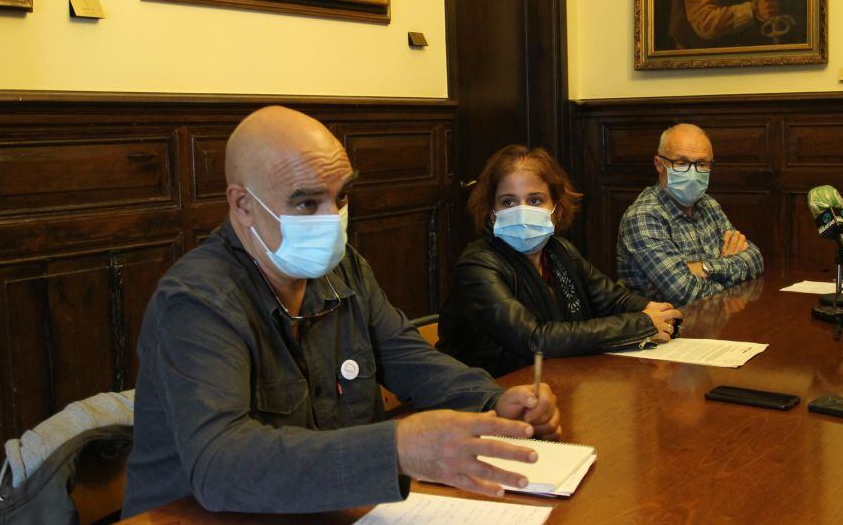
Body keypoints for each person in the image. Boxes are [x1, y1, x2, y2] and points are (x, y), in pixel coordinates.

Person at [123, 107, 561, 517]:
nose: (333, 220)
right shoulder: (197, 300)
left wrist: (495, 402)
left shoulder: (343, 267)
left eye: (341, 196)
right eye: (306, 203)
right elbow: (219, 464)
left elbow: (409, 357)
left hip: (326, 511)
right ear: (243, 205)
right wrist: (396, 449)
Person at [438, 145, 682, 378]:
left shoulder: (560, 250)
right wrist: (641, 325)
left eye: (535, 200)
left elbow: (614, 301)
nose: (522, 211)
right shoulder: (478, 265)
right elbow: (535, 339)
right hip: (484, 398)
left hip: (553, 381)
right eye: (508, 202)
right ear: (492, 213)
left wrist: (660, 314)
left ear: (558, 209)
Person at [617, 123, 763, 306]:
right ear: (659, 164)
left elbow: (756, 259)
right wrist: (729, 269)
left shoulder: (708, 205)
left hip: (716, 321)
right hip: (666, 330)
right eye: (681, 163)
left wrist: (705, 267)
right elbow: (685, 293)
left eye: (702, 164)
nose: (692, 173)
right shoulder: (643, 216)